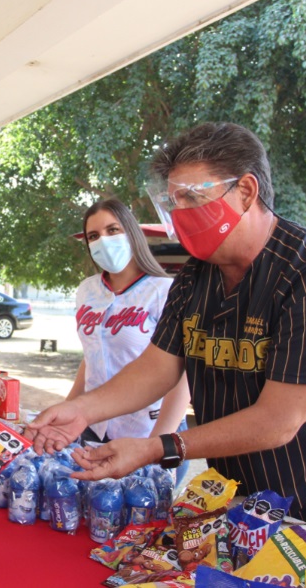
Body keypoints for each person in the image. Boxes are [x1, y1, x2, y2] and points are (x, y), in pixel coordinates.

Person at [28, 122, 306, 549]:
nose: (179, 212)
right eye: (172, 201)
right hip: (246, 495)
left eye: (193, 196)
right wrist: (82, 411)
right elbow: (156, 367)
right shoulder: (195, 276)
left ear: (246, 192)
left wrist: (156, 448)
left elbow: (278, 421)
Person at [68, 198, 191, 485]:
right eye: (94, 236)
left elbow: (183, 375)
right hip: (94, 429)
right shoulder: (87, 290)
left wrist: (157, 447)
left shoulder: (165, 291)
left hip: (149, 431)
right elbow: (92, 358)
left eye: (113, 230)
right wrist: (69, 411)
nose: (104, 241)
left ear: (133, 234)